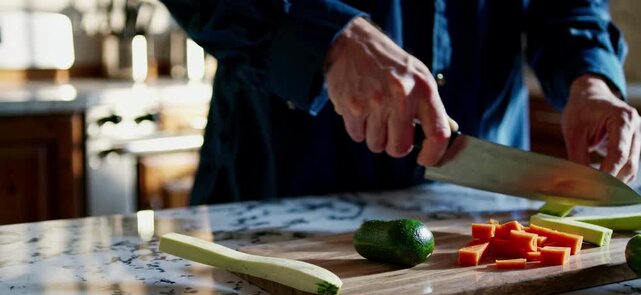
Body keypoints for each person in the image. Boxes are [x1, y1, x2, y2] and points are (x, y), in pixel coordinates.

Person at [159, 0, 641, 205]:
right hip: (280, 178)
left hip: (477, 207)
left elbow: (570, 6)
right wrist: (327, 36)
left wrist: (590, 78)